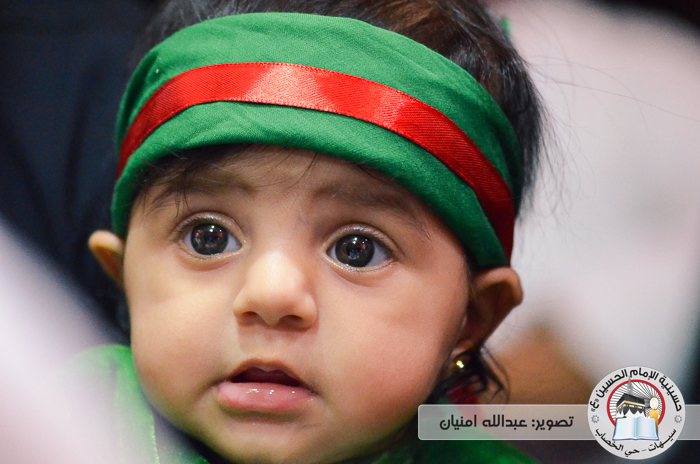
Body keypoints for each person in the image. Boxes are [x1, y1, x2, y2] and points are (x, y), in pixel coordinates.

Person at [74, 0, 545, 462]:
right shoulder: (61, 423)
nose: (272, 295)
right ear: (124, 276)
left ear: (471, 318)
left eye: (357, 250)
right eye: (208, 237)